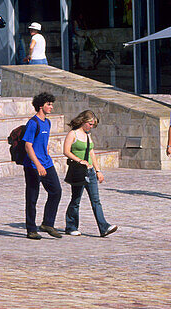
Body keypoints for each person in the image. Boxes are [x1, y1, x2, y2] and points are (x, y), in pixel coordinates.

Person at [61, 110, 117, 238]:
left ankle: (103, 227)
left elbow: (92, 153)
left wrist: (98, 170)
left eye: (93, 125)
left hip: (90, 171)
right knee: (76, 199)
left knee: (96, 200)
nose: (91, 127)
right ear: (83, 121)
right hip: (78, 171)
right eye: (90, 124)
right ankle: (71, 226)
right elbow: (66, 151)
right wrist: (80, 160)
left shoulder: (87, 135)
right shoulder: (73, 134)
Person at [21, 92, 62, 239]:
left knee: (56, 191)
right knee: (32, 197)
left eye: (51, 104)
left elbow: (43, 144)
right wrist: (37, 164)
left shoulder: (47, 122)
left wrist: (46, 161)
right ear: (41, 106)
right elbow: (28, 146)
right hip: (32, 165)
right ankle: (31, 229)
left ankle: (47, 224)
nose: (51, 107)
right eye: (48, 104)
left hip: (46, 163)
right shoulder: (33, 123)